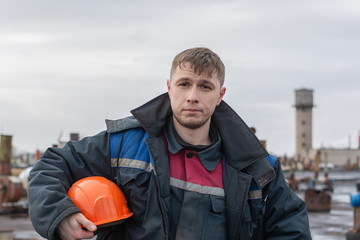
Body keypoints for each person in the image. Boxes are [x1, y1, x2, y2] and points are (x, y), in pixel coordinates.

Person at [28, 47, 311, 240]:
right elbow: (52, 165)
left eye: (205, 86)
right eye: (184, 84)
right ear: (169, 87)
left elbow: (291, 228)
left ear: (220, 94)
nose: (192, 96)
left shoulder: (257, 168)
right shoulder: (125, 144)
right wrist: (59, 215)